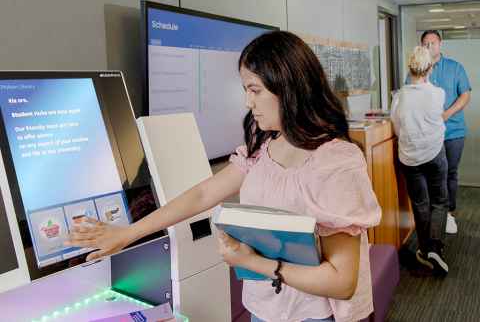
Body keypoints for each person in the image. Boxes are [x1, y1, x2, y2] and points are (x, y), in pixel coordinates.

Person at [67, 31, 381, 322]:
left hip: (311, 314)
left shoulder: (335, 163)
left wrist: (251, 262)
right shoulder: (264, 147)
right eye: (246, 90)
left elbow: (341, 281)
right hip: (263, 307)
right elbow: (203, 194)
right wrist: (128, 233)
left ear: (289, 87)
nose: (248, 102)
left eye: (255, 90)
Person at [392, 46, 449, 276]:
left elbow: (396, 128)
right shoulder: (438, 93)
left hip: (410, 158)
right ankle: (434, 246)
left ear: (410, 68)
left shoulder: (399, 97)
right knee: (439, 201)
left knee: (420, 203)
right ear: (430, 68)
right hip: (434, 153)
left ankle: (425, 249)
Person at [416, 30, 471, 234]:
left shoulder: (455, 68)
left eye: (433, 43)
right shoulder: (417, 69)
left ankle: (448, 213)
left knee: (450, 173)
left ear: (440, 44)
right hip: (427, 134)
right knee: (431, 175)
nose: (430, 47)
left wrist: (447, 114)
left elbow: (465, 95)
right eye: (425, 44)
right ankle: (435, 213)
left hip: (452, 131)